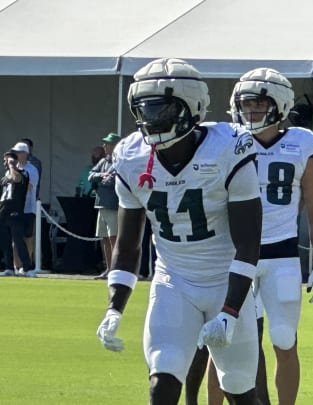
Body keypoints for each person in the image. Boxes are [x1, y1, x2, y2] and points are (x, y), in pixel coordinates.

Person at [94, 57, 262, 405]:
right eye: (144, 111)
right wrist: (114, 308)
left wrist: (230, 311)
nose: (151, 121)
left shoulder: (228, 147)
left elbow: (248, 243)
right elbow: (127, 246)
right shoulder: (131, 155)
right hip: (173, 281)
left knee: (239, 391)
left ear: (192, 107)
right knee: (162, 382)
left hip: (226, 280)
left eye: (161, 110)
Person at [187, 67, 313, 405]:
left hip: (281, 255)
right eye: (245, 104)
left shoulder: (302, 143)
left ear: (279, 105)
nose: (250, 112)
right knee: (222, 339)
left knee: (284, 338)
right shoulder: (228, 140)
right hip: (235, 255)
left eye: (258, 105)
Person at [88, 133, 121, 280]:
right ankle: (108, 269)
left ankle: (116, 269)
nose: (104, 146)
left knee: (113, 238)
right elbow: (91, 175)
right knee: (104, 238)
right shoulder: (103, 161)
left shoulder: (120, 161)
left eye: (107, 144)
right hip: (101, 205)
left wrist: (101, 178)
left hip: (113, 205)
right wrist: (101, 176)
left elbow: (112, 182)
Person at [0, 151, 31, 276]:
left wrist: (12, 165)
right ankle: (9, 267)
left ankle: (27, 267)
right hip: (4, 210)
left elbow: (16, 179)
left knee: (18, 240)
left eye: (7, 160)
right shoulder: (5, 176)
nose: (5, 163)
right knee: (5, 240)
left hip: (15, 210)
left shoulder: (23, 173)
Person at [10, 142, 39, 276]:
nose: (16, 155)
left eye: (18, 152)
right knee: (15, 238)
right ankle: (17, 266)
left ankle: (26, 267)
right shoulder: (11, 169)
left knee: (27, 237)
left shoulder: (32, 169)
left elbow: (27, 187)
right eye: (14, 152)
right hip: (14, 209)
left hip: (28, 208)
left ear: (25, 154)